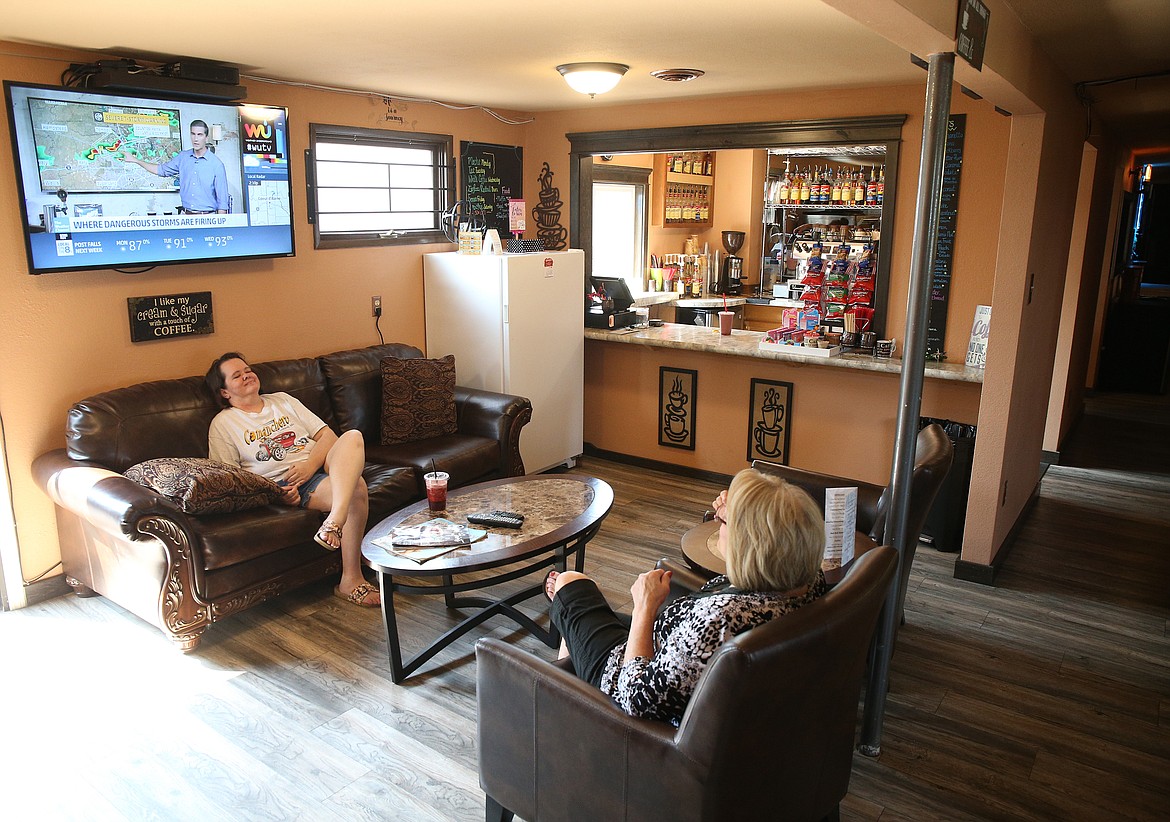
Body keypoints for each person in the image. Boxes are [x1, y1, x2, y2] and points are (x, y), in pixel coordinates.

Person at [546, 467, 826, 726]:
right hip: (667, 649)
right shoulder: (807, 580)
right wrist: (742, 507)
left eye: (725, 523)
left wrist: (645, 605)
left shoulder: (718, 621)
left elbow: (634, 699)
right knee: (573, 617)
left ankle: (560, 712)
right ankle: (567, 713)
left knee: (571, 584)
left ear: (750, 545)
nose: (718, 525)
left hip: (626, 680)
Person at [205, 352, 378, 608]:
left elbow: (327, 436)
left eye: (248, 369)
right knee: (357, 488)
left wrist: (310, 465)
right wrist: (276, 493)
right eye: (236, 375)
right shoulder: (223, 424)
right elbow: (232, 479)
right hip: (291, 485)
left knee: (352, 436)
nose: (246, 375)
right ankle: (350, 580)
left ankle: (334, 521)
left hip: (321, 464)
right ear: (224, 392)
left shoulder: (282, 400)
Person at [123, 119, 229, 214]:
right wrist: (135, 160)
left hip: (208, 218)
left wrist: (221, 227)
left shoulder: (216, 164)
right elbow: (161, 170)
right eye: (193, 134)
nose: (195, 139)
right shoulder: (183, 157)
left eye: (199, 135)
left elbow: (222, 201)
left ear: (206, 137)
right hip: (186, 216)